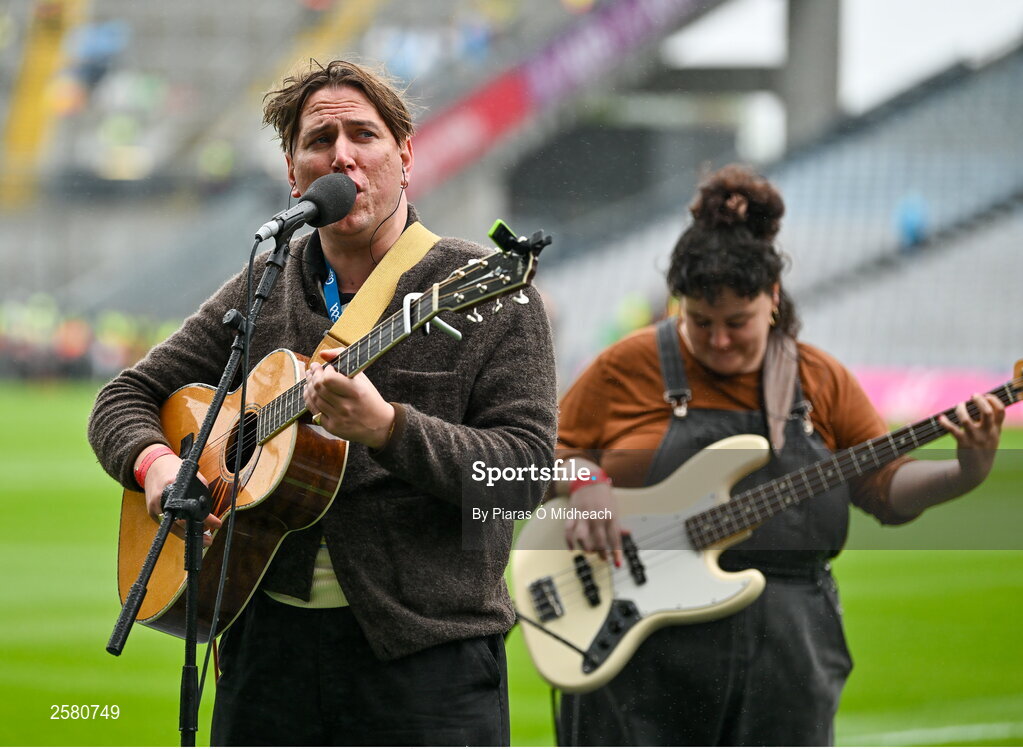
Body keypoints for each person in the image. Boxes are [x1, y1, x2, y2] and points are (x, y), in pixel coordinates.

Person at [88, 59, 557, 746]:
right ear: (293, 171)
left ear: (403, 155)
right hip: (265, 653)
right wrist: (159, 466)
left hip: (426, 661)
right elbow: (124, 396)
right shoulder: (263, 287)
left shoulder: (491, 292)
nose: (341, 154)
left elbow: (522, 475)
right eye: (319, 139)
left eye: (363, 134)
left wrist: (389, 429)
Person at [551, 164, 1005, 746]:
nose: (718, 341)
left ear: (773, 298)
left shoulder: (820, 379)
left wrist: (967, 471)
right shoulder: (624, 367)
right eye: (700, 323)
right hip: (639, 647)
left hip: (789, 656)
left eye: (736, 323)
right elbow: (530, 460)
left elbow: (885, 491)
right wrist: (584, 480)